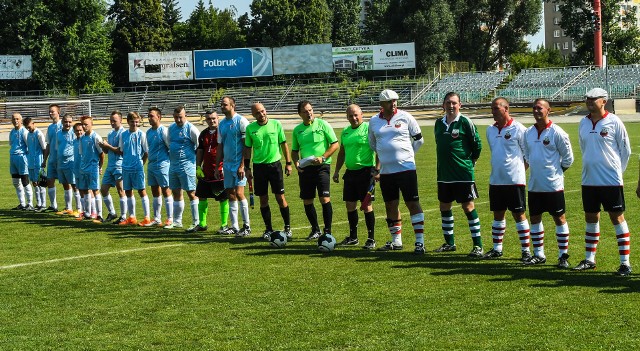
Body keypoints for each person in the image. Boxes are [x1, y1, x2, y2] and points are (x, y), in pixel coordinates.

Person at [574, 88, 632, 276]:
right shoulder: (583, 123)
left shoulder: (614, 122)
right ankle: (590, 259)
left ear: (603, 101)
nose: (589, 101)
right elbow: (584, 148)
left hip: (610, 181)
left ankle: (625, 263)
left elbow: (626, 151)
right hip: (589, 180)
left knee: (617, 218)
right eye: (587, 98)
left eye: (593, 99)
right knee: (591, 218)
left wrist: (616, 172)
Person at [368, 90, 425, 254]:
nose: (393, 103)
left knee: (412, 203)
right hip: (386, 173)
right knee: (390, 205)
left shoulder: (406, 117)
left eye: (395, 101)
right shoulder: (373, 121)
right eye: (390, 101)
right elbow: (373, 144)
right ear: (381, 104)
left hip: (406, 170)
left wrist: (408, 156)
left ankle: (419, 242)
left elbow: (419, 139)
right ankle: (396, 241)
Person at [523, 98, 574, 268]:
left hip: (553, 185)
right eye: (534, 108)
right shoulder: (528, 133)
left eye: (540, 108)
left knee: (559, 218)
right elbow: (527, 155)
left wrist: (555, 172)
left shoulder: (557, 132)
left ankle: (562, 257)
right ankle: (539, 254)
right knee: (535, 218)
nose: (536, 111)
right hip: (534, 185)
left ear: (548, 110)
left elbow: (568, 159)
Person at [434, 91, 484, 257]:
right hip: (444, 175)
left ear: (460, 105)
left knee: (468, 206)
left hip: (463, 174)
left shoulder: (465, 122)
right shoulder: (438, 124)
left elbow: (477, 145)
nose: (451, 106)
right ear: (443, 105)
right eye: (448, 102)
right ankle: (449, 243)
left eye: (454, 103)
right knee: (444, 206)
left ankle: (478, 246)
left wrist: (471, 162)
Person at [483, 97, 532, 262]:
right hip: (496, 180)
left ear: (506, 108)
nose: (493, 111)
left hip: (514, 181)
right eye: (492, 108)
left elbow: (528, 155)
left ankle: (526, 251)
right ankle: (497, 249)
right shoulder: (490, 130)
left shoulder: (519, 129)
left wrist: (518, 172)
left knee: (519, 215)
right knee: (498, 215)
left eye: (496, 108)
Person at [244, 102, 293, 240]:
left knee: (280, 197)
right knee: (263, 199)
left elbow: (284, 144)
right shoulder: (250, 129)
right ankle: (268, 229)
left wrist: (288, 163)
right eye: (258, 112)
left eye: (263, 111)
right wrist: (247, 168)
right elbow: (247, 149)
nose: (261, 114)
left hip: (275, 166)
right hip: (259, 167)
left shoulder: (276, 124)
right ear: (253, 115)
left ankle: (287, 227)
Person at [291, 100, 339, 241]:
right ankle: (315, 229)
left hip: (322, 167)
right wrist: (296, 163)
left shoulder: (323, 124)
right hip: (306, 169)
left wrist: (323, 157)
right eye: (305, 111)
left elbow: (335, 144)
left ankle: (328, 231)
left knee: (324, 198)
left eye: (310, 110)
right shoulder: (297, 130)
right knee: (307, 200)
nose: (309, 113)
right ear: (300, 114)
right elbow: (294, 151)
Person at [332, 104, 377, 250]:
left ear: (362, 114)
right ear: (347, 117)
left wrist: (377, 170)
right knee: (350, 205)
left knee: (366, 205)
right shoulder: (345, 132)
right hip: (350, 173)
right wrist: (337, 170)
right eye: (350, 116)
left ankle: (371, 239)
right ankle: (353, 237)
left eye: (356, 115)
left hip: (366, 172)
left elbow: (379, 148)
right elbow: (342, 153)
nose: (354, 118)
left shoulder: (369, 129)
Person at [214, 97, 251, 237]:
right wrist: (218, 166)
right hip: (228, 165)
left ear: (233, 105)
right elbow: (220, 146)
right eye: (221, 105)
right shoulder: (222, 124)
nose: (222, 106)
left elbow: (246, 145)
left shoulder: (241, 121)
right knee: (230, 194)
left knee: (240, 193)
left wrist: (242, 165)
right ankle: (235, 226)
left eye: (225, 104)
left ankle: (246, 226)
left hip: (238, 165)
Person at [192, 110, 231, 234]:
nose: (211, 121)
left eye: (213, 118)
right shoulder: (203, 133)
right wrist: (198, 167)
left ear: (218, 118)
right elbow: (200, 150)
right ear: (205, 120)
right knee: (202, 197)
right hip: (206, 171)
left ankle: (224, 225)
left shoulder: (223, 132)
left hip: (220, 171)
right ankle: (202, 224)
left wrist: (225, 166)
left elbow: (227, 149)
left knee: (223, 198)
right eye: (208, 119)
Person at [166, 105, 200, 231]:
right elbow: (169, 143)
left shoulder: (191, 128)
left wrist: (194, 161)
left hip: (187, 166)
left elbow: (199, 145)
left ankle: (196, 222)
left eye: (180, 117)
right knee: (176, 192)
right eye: (175, 117)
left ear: (185, 116)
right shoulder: (171, 128)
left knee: (191, 193)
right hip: (173, 165)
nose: (178, 120)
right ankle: (177, 221)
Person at [115, 111, 151, 226]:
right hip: (125, 167)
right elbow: (121, 150)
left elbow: (146, 152)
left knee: (141, 191)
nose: (134, 124)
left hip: (137, 168)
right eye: (132, 122)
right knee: (128, 191)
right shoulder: (123, 135)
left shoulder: (142, 134)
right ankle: (132, 217)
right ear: (128, 122)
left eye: (136, 122)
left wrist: (141, 163)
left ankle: (147, 217)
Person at [145, 107, 174, 227]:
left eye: (152, 116)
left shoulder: (164, 131)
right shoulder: (148, 132)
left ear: (159, 117)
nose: (149, 118)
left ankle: (170, 218)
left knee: (166, 190)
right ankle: (157, 218)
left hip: (163, 165)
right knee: (154, 191)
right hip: (151, 165)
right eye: (149, 116)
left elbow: (170, 148)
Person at [97, 110, 126, 223]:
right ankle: (112, 212)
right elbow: (107, 151)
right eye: (111, 121)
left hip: (119, 165)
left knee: (121, 190)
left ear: (120, 120)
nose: (112, 123)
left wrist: (107, 145)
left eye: (114, 121)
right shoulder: (110, 133)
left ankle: (123, 216)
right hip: (110, 166)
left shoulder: (123, 133)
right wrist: (102, 146)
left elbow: (120, 151)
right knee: (103, 189)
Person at [77, 116, 104, 221]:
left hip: (93, 168)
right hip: (84, 167)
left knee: (95, 190)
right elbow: (81, 154)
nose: (84, 126)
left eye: (86, 124)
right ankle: (87, 213)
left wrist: (100, 166)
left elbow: (101, 154)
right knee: (84, 190)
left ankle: (99, 215)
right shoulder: (82, 138)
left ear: (91, 124)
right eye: (82, 124)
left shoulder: (95, 137)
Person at [55, 113, 81, 216]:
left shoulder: (74, 133)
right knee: (65, 185)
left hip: (71, 162)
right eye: (66, 121)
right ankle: (68, 208)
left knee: (75, 185)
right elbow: (58, 147)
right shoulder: (58, 133)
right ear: (62, 122)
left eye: (70, 122)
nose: (68, 124)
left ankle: (79, 209)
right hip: (61, 162)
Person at [40, 104, 62, 212]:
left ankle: (71, 207)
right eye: (49, 111)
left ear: (58, 112)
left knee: (67, 183)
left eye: (52, 111)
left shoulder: (64, 125)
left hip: (62, 159)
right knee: (49, 181)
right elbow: (48, 144)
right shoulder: (50, 127)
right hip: (52, 158)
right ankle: (54, 205)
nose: (50, 113)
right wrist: (44, 159)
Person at [9, 113, 32, 210]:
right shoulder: (12, 132)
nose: (15, 121)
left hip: (22, 158)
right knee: (16, 182)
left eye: (17, 119)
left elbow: (29, 146)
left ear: (21, 120)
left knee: (25, 181)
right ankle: (22, 203)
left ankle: (30, 204)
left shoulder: (24, 131)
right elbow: (11, 143)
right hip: (13, 157)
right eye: (14, 119)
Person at [24, 117, 45, 211]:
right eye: (26, 127)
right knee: (34, 182)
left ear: (33, 124)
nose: (28, 129)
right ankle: (38, 203)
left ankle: (43, 204)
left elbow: (44, 148)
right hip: (31, 161)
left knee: (40, 182)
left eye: (29, 127)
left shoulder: (39, 133)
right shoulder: (28, 134)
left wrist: (44, 161)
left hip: (38, 161)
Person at [72, 122, 85, 218]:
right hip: (76, 168)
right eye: (77, 130)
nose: (79, 132)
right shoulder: (74, 141)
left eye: (80, 130)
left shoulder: (86, 140)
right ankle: (83, 210)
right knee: (80, 189)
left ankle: (93, 211)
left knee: (88, 190)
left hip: (85, 168)